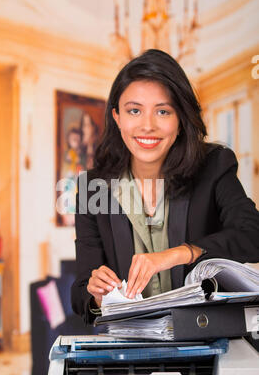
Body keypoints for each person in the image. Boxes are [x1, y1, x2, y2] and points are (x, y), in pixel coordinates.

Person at [71, 49, 259, 326]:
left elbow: (253, 236)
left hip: (207, 337)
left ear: (180, 120)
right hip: (130, 341)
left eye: (163, 111)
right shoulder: (92, 188)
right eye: (134, 111)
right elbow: (80, 294)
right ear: (117, 117)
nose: (148, 126)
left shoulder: (214, 166)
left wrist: (178, 254)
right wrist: (97, 294)